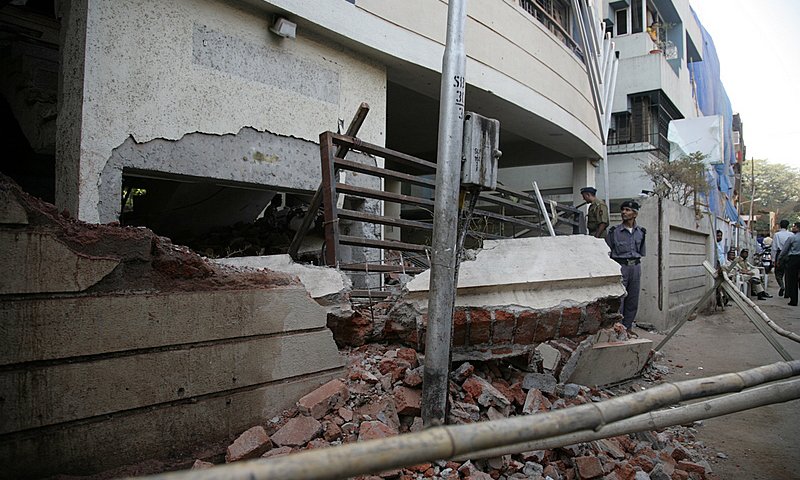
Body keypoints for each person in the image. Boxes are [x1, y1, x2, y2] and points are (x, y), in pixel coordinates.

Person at [606, 200, 646, 335]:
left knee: (633, 298)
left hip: (635, 267)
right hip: (620, 266)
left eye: (628, 210)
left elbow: (641, 251)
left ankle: (628, 328)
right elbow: (608, 253)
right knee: (620, 299)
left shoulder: (641, 232)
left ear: (635, 214)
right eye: (623, 210)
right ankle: (618, 328)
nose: (624, 212)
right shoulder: (613, 232)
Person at [777, 221, 800, 306]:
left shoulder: (792, 238)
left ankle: (794, 300)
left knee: (792, 280)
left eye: (794, 226)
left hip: (793, 259)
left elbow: (784, 250)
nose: (793, 228)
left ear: (797, 228)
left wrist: (779, 259)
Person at [772, 219, 793, 298]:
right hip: (789, 255)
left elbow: (774, 247)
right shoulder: (791, 235)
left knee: (778, 273)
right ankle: (787, 291)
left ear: (780, 225)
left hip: (779, 254)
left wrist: (773, 259)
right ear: (788, 226)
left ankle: (782, 286)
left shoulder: (777, 235)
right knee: (788, 274)